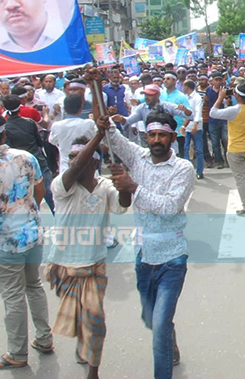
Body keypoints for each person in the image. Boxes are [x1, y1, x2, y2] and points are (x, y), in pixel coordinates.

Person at [95, 103, 194, 378]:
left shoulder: (183, 168)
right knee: (154, 320)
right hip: (143, 256)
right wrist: (95, 91)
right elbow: (108, 132)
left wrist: (133, 187)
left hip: (173, 257)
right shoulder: (138, 158)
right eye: (152, 135)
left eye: (162, 135)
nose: (156, 140)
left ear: (172, 138)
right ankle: (169, 338)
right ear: (146, 137)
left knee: (158, 328)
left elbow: (170, 206)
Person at [45, 132, 129, 378]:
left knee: (95, 320)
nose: (72, 161)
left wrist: (123, 183)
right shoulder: (61, 185)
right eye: (70, 156)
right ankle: (85, 344)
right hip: (62, 265)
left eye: (77, 156)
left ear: (94, 162)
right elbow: (74, 169)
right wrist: (99, 134)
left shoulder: (104, 186)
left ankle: (93, 370)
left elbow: (122, 205)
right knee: (82, 318)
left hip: (94, 265)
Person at [0, 115, 53, 370]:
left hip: (6, 242)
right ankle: (44, 338)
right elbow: (40, 191)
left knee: (12, 295)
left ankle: (17, 353)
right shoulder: (26, 157)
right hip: (32, 233)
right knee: (34, 286)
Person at [210, 83, 245, 215]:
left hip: (236, 148)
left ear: (236, 95)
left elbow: (213, 113)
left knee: (240, 178)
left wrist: (220, 98)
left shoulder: (233, 110)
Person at [3, 95, 54, 214]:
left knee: (22, 198)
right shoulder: (30, 122)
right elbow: (39, 142)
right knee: (49, 195)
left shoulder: (6, 128)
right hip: (38, 163)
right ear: (20, 107)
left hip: (18, 168)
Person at [48, 94, 96, 174]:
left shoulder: (57, 125)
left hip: (65, 167)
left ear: (65, 109)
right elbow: (95, 138)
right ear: (80, 109)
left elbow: (52, 141)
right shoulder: (89, 123)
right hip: (86, 166)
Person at [182, 80, 205, 180]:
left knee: (199, 150)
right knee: (185, 148)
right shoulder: (185, 98)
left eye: (184, 86)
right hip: (187, 126)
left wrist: (195, 125)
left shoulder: (197, 97)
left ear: (187, 87)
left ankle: (199, 171)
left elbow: (198, 112)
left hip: (197, 127)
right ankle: (188, 171)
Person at [205, 74, 229, 169]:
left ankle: (228, 160)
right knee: (215, 143)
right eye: (216, 80)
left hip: (223, 119)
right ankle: (219, 161)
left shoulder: (225, 90)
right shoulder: (209, 90)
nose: (218, 82)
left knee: (226, 141)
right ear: (213, 81)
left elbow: (229, 101)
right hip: (212, 120)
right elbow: (206, 101)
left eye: (220, 80)